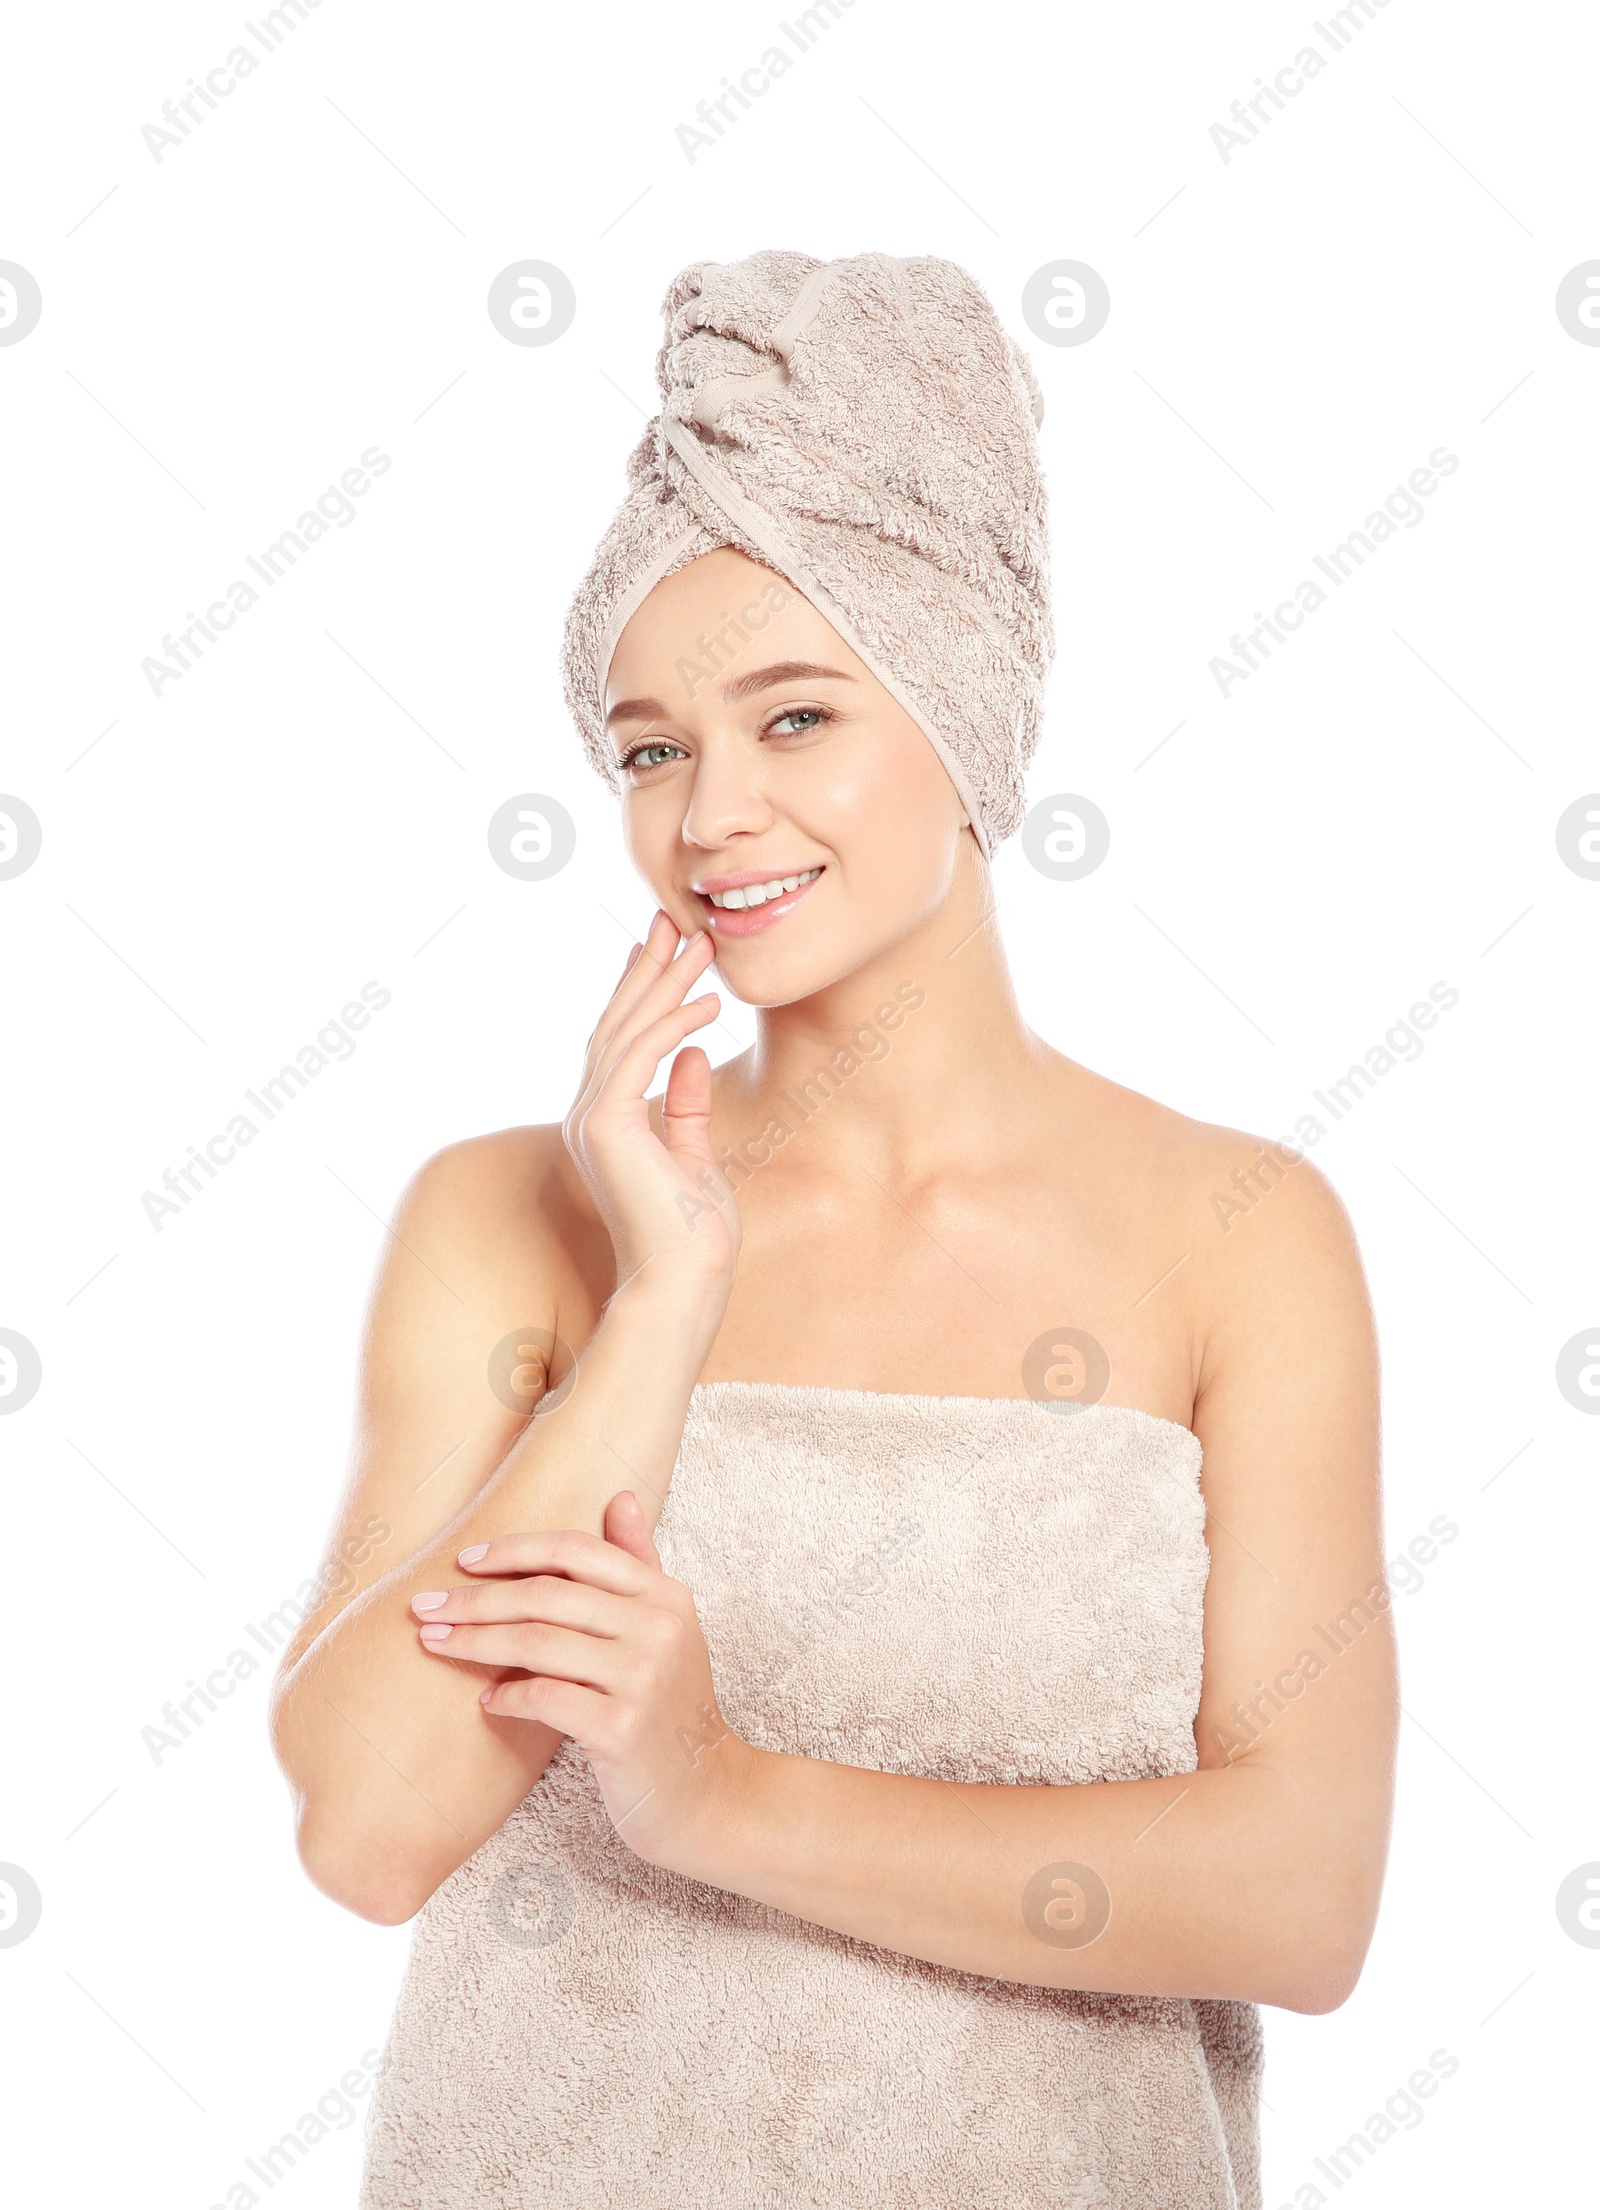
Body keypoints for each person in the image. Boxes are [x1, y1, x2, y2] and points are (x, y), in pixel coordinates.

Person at [270, 251, 1395, 2210]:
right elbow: (365, 1829)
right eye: (648, 746)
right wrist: (660, 1300)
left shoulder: (1234, 1237)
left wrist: (718, 1793)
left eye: (795, 718)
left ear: (961, 717)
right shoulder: (511, 1217)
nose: (710, 816)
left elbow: (1300, 1896)